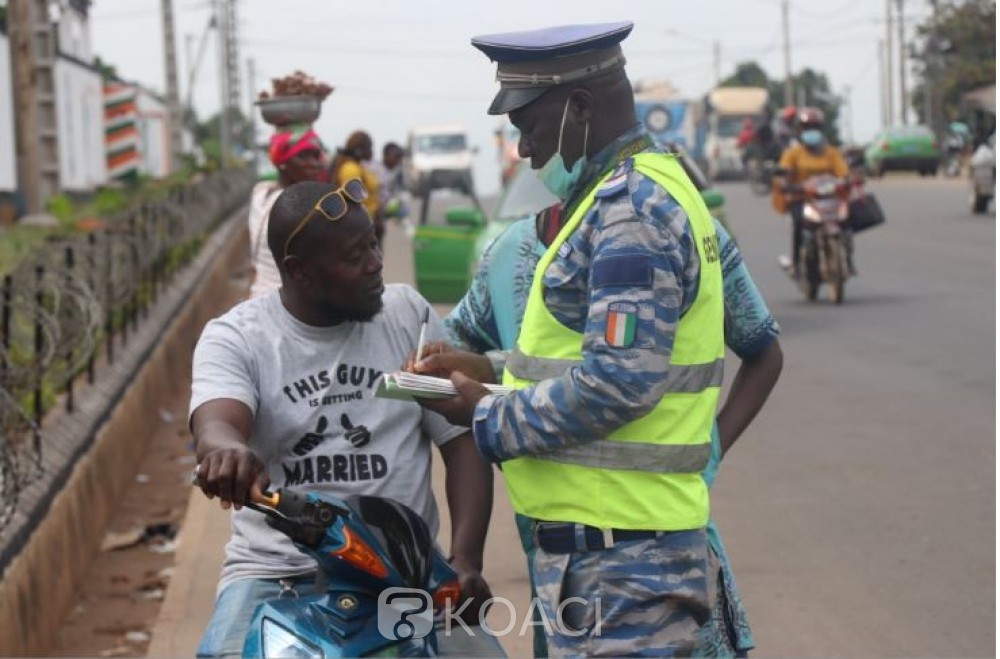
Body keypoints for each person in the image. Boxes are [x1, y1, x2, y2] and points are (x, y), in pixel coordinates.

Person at [414, 21, 735, 656]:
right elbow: (598, 361)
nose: (525, 150)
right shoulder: (630, 194)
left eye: (529, 127)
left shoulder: (631, 213)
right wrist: (483, 364)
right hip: (614, 555)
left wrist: (485, 411)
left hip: (624, 562)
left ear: (580, 108)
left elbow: (617, 385)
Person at [413, 202, 782, 656]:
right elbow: (472, 362)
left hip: (660, 548)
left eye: (528, 127)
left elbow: (763, 349)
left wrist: (708, 452)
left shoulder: (671, 230)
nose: (527, 145)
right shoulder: (512, 252)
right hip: (555, 560)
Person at [189, 180, 502, 657]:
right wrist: (228, 451)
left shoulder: (405, 314)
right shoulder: (238, 338)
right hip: (276, 575)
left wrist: (464, 561)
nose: (376, 263)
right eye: (356, 257)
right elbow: (218, 424)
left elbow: (460, 441)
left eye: (373, 244)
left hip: (402, 576)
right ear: (301, 273)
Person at [247, 125, 325, 299]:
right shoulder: (296, 207)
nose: (314, 164)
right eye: (303, 156)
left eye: (316, 155)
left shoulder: (260, 192)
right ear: (282, 162)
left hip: (258, 294)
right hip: (284, 303)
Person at [772, 107, 851, 277]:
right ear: (800, 130)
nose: (811, 132)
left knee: (846, 221)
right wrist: (786, 183)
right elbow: (783, 173)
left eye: (814, 127)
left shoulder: (832, 153)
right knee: (800, 224)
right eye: (807, 128)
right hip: (802, 199)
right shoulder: (793, 154)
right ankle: (796, 263)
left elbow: (843, 173)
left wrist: (846, 181)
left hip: (829, 198)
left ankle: (848, 258)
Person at [329, 131, 385, 244]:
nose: (372, 151)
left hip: (369, 223)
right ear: (359, 149)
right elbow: (353, 200)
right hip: (362, 227)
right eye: (369, 147)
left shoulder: (359, 166)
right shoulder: (351, 169)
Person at [370, 141, 409, 222]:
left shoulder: (393, 172)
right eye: (396, 157)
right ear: (386, 155)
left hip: (383, 206)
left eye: (399, 158)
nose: (398, 161)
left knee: (404, 210)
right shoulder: (374, 169)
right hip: (373, 206)